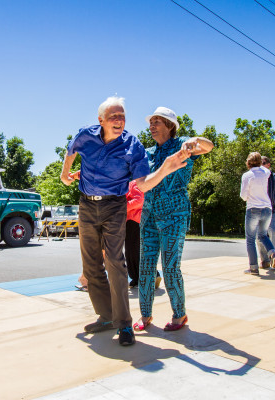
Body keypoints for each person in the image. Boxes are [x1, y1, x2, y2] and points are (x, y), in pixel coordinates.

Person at [60, 97, 190, 346]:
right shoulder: (86, 135)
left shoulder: (133, 145)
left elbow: (143, 184)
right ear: (101, 120)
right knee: (91, 265)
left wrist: (165, 168)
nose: (119, 121)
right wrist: (65, 174)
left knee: (115, 262)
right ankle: (106, 316)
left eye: (122, 116)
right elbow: (71, 149)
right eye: (114, 117)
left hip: (114, 206)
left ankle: (124, 324)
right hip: (87, 204)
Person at [134, 106, 213, 333]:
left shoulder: (183, 145)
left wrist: (195, 141)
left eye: (157, 122)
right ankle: (145, 314)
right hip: (149, 215)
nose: (151, 126)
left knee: (170, 266)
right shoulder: (146, 153)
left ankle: (180, 314)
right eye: (151, 122)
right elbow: (141, 182)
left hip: (174, 214)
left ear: (170, 126)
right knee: (146, 267)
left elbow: (208, 146)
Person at [241, 152, 275, 276]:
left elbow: (243, 195)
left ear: (248, 162)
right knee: (263, 235)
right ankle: (273, 253)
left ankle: (253, 268)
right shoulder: (266, 173)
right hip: (267, 209)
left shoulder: (247, 175)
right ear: (260, 162)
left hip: (253, 209)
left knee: (250, 239)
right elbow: (264, 169)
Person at [257, 156, 275, 269]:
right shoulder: (256, 177)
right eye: (259, 163)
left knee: (274, 232)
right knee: (259, 235)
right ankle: (264, 260)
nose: (260, 165)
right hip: (259, 209)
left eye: (263, 163)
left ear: (268, 165)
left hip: (273, 209)